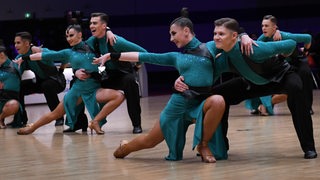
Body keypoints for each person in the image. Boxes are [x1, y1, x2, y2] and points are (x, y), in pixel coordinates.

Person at [175, 17, 317, 159]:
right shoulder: (224, 58)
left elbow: (291, 43)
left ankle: (309, 148)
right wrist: (181, 82)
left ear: (234, 36)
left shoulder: (254, 49)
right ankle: (219, 147)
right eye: (215, 34)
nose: (216, 37)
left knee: (296, 89)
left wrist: (288, 54)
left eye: (221, 34)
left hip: (281, 78)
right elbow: (204, 77)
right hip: (253, 83)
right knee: (217, 95)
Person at [15, 24, 125, 135]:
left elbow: (101, 30)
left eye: (71, 35)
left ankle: (95, 121)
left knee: (119, 96)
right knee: (55, 114)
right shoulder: (68, 52)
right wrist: (24, 58)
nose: (69, 39)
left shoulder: (91, 43)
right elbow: (46, 55)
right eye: (67, 36)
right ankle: (32, 128)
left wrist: (109, 31)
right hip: (78, 91)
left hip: (94, 90)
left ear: (80, 34)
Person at [77, 12, 146, 134]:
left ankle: (137, 124)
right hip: (105, 74)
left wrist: (138, 66)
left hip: (122, 74)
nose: (91, 26)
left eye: (94, 23)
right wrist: (76, 70)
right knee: (79, 84)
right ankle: (79, 122)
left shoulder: (116, 41)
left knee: (131, 83)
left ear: (104, 26)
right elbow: (77, 51)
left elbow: (144, 53)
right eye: (90, 23)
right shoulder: (92, 41)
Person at [245, 15, 314, 116]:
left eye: (266, 26)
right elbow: (254, 50)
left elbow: (308, 38)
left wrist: (306, 51)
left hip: (297, 61)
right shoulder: (262, 39)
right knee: (259, 77)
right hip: (282, 64)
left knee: (304, 74)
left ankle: (307, 108)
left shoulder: (285, 36)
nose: (263, 28)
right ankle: (260, 105)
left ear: (274, 27)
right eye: (262, 25)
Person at [14, 32, 66, 126]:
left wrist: (61, 70)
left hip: (57, 81)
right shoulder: (20, 58)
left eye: (18, 43)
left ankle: (58, 117)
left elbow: (64, 56)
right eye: (15, 43)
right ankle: (21, 118)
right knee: (19, 87)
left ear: (26, 43)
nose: (15, 46)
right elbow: (15, 73)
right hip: (41, 82)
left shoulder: (41, 51)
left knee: (47, 85)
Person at [0, 45, 23, 128]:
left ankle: (0, 118)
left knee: (13, 104)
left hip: (6, 101)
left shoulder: (13, 67)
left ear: (1, 55)